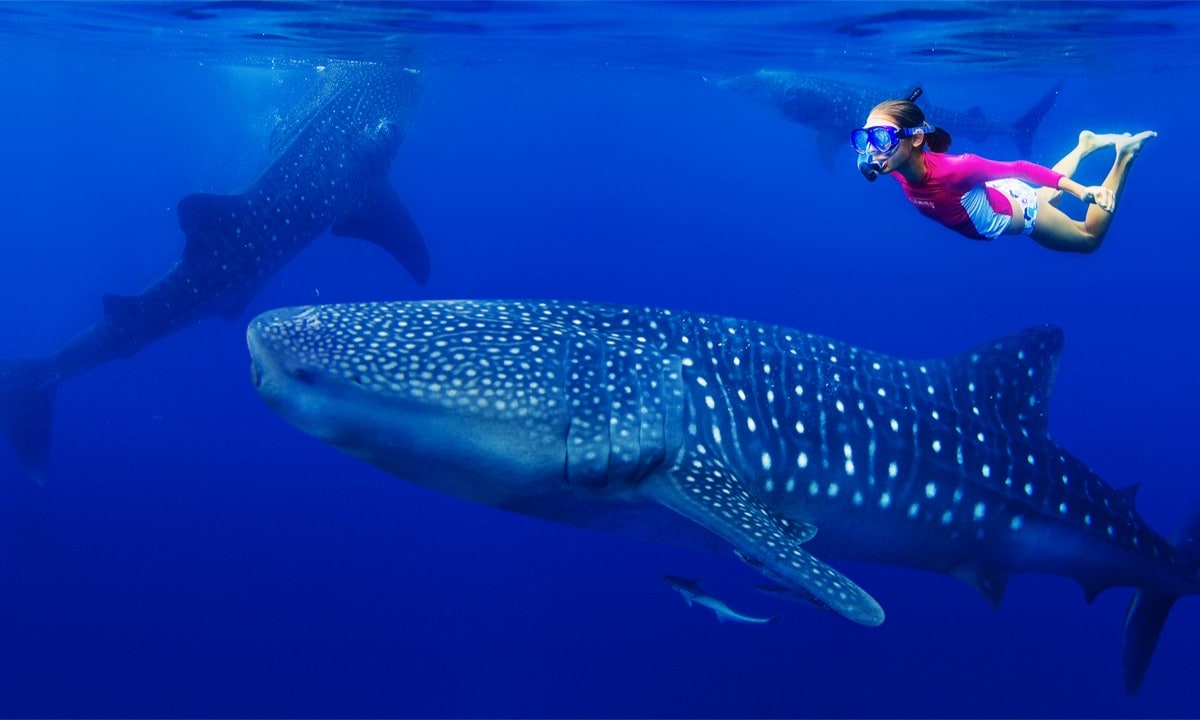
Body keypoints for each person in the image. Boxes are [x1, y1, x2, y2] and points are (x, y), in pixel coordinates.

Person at [851, 94, 1155, 253]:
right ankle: (1084, 146)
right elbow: (869, 161)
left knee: (1088, 239)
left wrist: (1082, 191)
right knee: (1043, 196)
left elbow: (1020, 169)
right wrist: (871, 152)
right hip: (1002, 196)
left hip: (1022, 211)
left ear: (916, 138)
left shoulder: (957, 169)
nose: (873, 151)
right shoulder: (891, 164)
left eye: (882, 139)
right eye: (865, 140)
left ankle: (1125, 155)